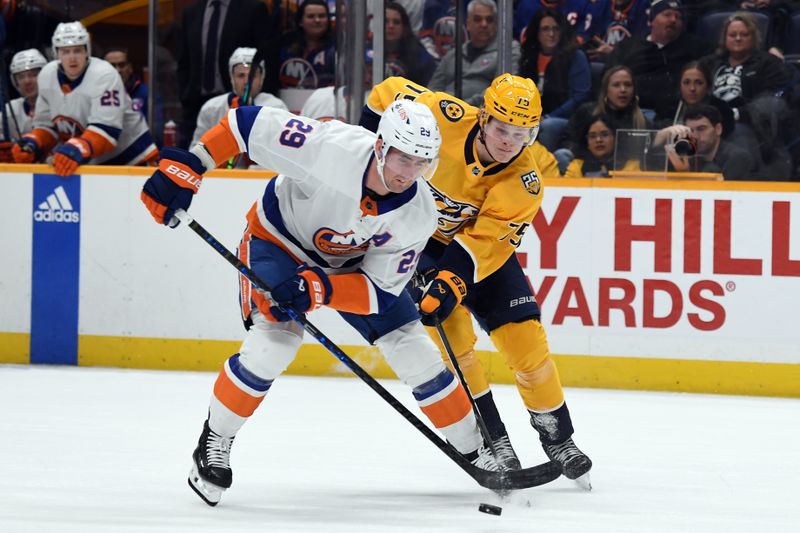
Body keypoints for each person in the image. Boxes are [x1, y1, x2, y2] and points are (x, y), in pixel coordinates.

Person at [140, 99, 508, 506]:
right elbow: (246, 123)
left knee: (415, 349)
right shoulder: (330, 147)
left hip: (350, 268)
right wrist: (192, 165)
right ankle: (215, 440)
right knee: (274, 345)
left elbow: (380, 291)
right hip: (278, 244)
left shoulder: (419, 212)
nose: (409, 172)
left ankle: (477, 452)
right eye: (402, 157)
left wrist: (320, 289)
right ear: (382, 146)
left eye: (420, 162)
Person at [361, 74, 593, 482]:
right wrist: (362, 156)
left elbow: (484, 243)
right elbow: (386, 91)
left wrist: (451, 282)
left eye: (522, 133)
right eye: (502, 128)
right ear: (483, 118)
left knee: (526, 342)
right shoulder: (440, 115)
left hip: (480, 254)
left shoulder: (526, 179)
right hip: (419, 244)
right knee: (454, 342)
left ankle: (558, 436)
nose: (509, 141)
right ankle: (492, 439)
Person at [11, 21, 158, 174]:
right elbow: (46, 125)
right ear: (56, 54)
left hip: (133, 158)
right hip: (92, 162)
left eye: (77, 50)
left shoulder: (104, 74)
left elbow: (107, 131)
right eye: (66, 52)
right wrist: (35, 142)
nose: (72, 58)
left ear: (87, 51)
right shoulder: (47, 75)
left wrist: (76, 149)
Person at [176, 0, 276, 148]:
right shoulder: (191, 12)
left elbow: (267, 57)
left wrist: (255, 97)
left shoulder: (253, 9)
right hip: (196, 104)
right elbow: (184, 61)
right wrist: (186, 97)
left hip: (242, 101)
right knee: (198, 156)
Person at [605, 0, 711, 119]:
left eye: (678, 17)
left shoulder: (695, 47)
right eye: (667, 15)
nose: (673, 20)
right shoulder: (627, 47)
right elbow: (607, 80)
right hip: (633, 112)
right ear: (651, 21)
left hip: (677, 114)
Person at [519, 8, 591, 151]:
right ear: (537, 33)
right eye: (545, 29)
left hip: (565, 119)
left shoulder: (576, 57)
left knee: (548, 126)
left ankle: (545, 167)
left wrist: (548, 117)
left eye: (556, 29)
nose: (551, 34)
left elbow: (578, 97)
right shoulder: (529, 57)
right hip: (534, 118)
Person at [555, 65, 650, 173]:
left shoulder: (640, 121)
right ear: (606, 89)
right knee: (562, 155)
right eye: (616, 85)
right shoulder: (587, 112)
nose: (623, 90)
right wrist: (594, 160)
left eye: (628, 85)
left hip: (622, 174)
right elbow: (567, 142)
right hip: (584, 168)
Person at [190, 47, 287, 153]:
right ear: (232, 78)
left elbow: (283, 151)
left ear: (261, 79)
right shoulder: (211, 108)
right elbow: (196, 151)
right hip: (220, 169)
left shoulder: (276, 108)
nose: (246, 82)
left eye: (252, 76)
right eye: (241, 75)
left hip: (261, 169)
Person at [427, 0, 520, 106]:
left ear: (496, 24)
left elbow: (501, 90)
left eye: (489, 20)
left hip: (481, 115)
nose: (484, 24)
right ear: (468, 24)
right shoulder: (454, 54)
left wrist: (463, 107)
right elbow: (433, 88)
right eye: (477, 19)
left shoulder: (507, 50)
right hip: (445, 112)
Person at [655, 103, 758, 179]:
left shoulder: (737, 158)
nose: (694, 136)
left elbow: (718, 197)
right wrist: (660, 136)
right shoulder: (686, 156)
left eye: (701, 129)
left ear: (718, 129)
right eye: (690, 130)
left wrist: (684, 174)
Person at [278, 0, 337, 89]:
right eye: (311, 16)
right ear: (300, 22)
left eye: (322, 16)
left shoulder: (338, 49)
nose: (317, 20)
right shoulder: (285, 48)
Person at [1, 48, 46, 161]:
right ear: (14, 81)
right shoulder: (9, 110)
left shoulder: (59, 105)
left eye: (33, 74)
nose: (27, 81)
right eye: (21, 77)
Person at [562, 114, 641, 177]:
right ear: (587, 142)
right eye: (593, 136)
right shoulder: (577, 166)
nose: (598, 140)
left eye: (605, 135)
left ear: (615, 138)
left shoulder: (632, 165)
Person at [384, 1, 438, 85]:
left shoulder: (419, 54)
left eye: (396, 22)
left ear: (404, 28)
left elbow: (431, 87)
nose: (391, 26)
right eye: (386, 21)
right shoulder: (366, 50)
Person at [103, 47, 149, 120]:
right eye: (111, 66)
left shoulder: (146, 93)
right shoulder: (94, 93)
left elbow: (156, 126)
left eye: (122, 65)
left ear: (130, 68)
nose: (117, 70)